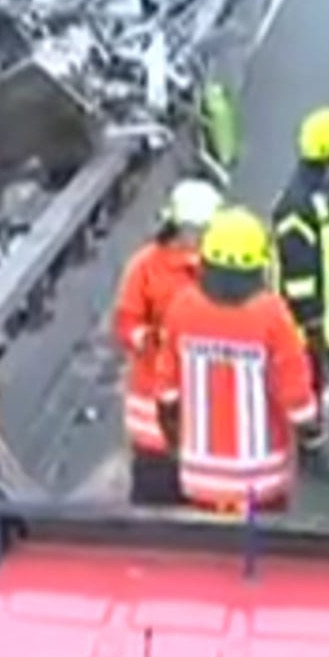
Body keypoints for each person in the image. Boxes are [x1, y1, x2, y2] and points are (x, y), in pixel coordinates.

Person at [155, 207, 320, 515]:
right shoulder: (272, 314)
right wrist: (312, 435)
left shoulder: (183, 307)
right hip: (262, 475)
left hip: (200, 474)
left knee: (207, 558)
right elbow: (295, 395)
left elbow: (166, 391)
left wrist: (175, 443)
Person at [112, 179, 224, 505]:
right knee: (155, 493)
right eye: (199, 231)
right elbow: (126, 323)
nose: (203, 239)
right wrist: (157, 342)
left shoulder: (217, 268)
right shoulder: (145, 268)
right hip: (154, 408)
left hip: (203, 404)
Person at [271, 106, 329, 474]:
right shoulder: (299, 203)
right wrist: (309, 317)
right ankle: (311, 452)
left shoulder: (328, 191)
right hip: (312, 317)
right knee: (307, 386)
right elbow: (297, 268)